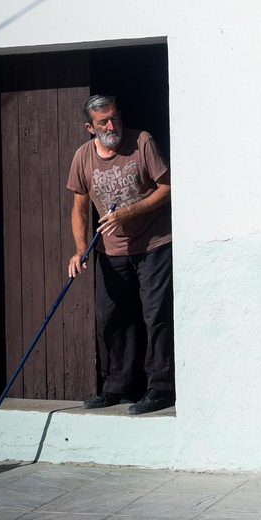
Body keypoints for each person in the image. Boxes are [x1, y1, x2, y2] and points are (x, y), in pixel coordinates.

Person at [66, 94, 175, 416]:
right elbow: (79, 207)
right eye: (103, 122)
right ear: (90, 128)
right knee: (112, 318)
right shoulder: (83, 156)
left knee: (156, 315)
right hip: (111, 249)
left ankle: (160, 388)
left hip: (154, 243)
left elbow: (167, 188)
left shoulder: (142, 142)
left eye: (114, 118)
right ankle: (118, 386)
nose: (111, 126)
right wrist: (79, 249)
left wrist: (128, 212)